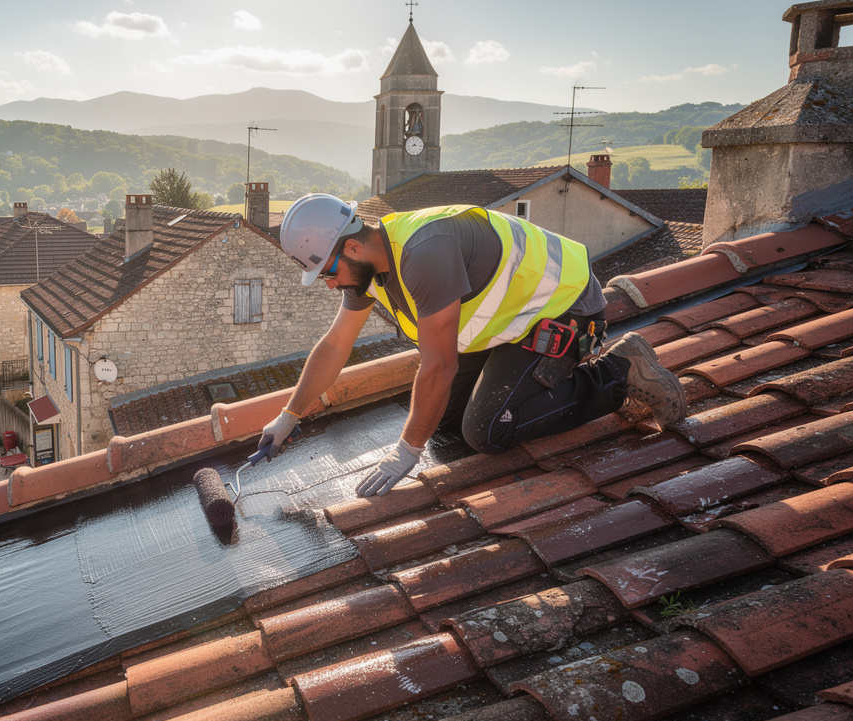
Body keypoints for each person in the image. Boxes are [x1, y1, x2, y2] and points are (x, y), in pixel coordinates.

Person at [259, 194, 685, 498]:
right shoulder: (369, 264)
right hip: (513, 320)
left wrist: (406, 451)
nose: (330, 283)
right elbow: (336, 344)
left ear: (351, 246)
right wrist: (288, 415)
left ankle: (619, 372)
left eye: (328, 271)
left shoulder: (423, 253)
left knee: (487, 430)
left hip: (564, 306)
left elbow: (439, 364)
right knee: (442, 418)